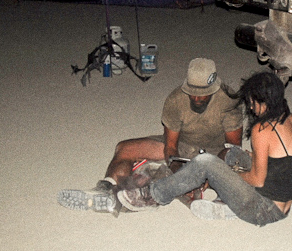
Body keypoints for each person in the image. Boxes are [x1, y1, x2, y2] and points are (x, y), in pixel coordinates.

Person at [117, 71, 292, 226]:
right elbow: (282, 164)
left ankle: (153, 195)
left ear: (261, 101)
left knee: (206, 162)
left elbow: (257, 179)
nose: (250, 108)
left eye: (251, 102)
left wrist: (227, 173)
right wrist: (241, 162)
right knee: (232, 153)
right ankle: (228, 204)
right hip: (282, 204)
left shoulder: (261, 130)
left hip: (263, 210)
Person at [57, 58, 244, 215]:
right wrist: (180, 173)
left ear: (213, 88)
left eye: (201, 95)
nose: (195, 98)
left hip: (213, 153)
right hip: (183, 145)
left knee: (235, 162)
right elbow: (171, 147)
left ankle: (223, 200)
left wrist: (205, 174)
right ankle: (107, 191)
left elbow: (232, 149)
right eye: (192, 93)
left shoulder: (228, 101)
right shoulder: (176, 99)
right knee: (125, 148)